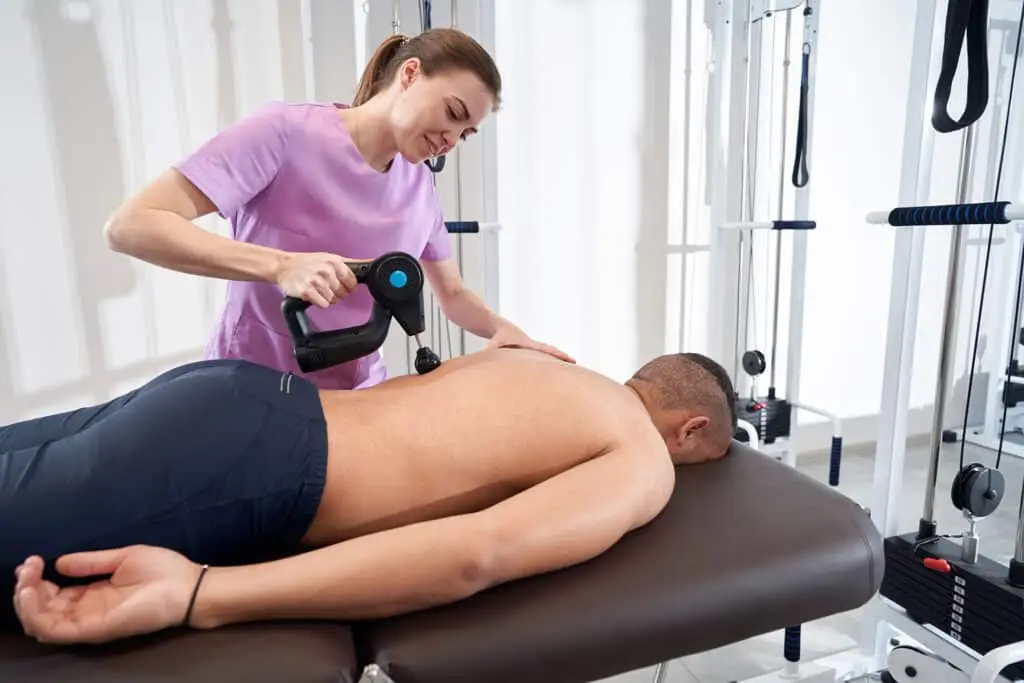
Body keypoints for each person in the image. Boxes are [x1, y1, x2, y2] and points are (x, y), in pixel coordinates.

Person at [3, 346, 736, 644]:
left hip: (234, 394)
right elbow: (473, 554)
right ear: (691, 428)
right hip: (251, 464)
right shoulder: (645, 455)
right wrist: (202, 592)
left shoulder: (547, 364)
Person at [102, 28, 573, 390]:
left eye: (466, 132)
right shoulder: (284, 133)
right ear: (409, 74)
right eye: (453, 113)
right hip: (252, 388)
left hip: (359, 401)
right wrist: (281, 266)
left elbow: (451, 293)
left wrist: (502, 328)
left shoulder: (419, 186)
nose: (452, 139)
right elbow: (132, 225)